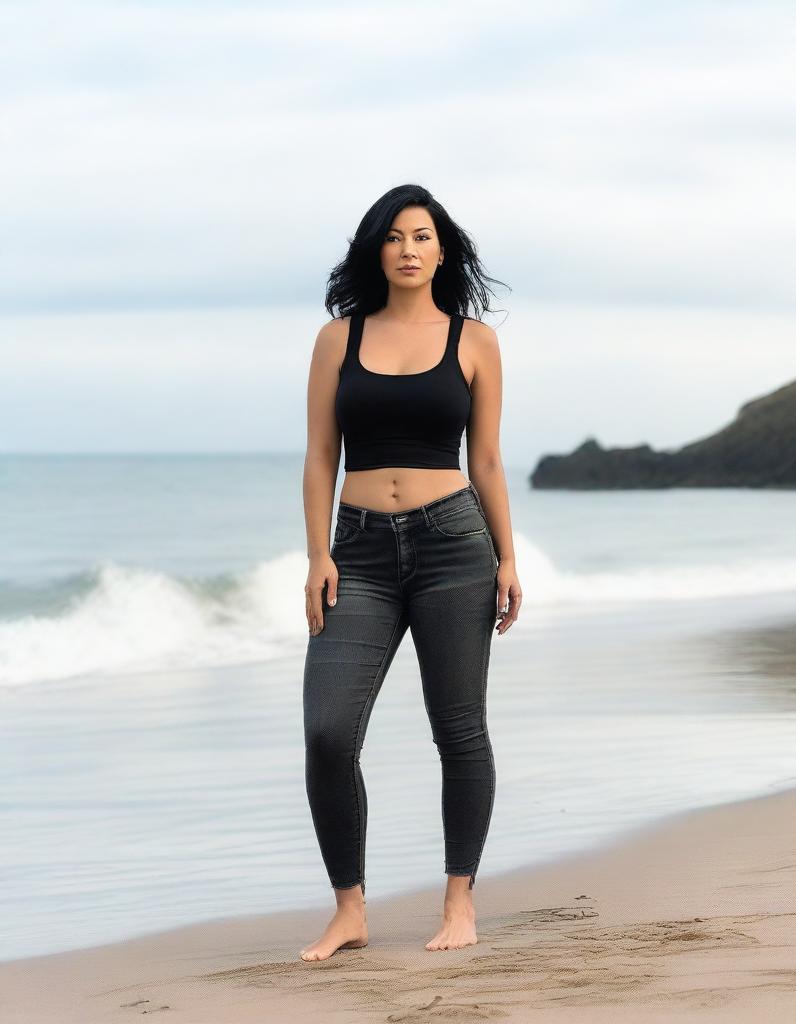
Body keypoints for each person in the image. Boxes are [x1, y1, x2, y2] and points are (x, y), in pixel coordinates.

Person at [299, 184, 522, 960]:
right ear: (376, 249)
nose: (408, 249)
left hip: (454, 545)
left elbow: (487, 459)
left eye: (422, 236)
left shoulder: (474, 342)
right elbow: (321, 455)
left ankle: (459, 902)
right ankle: (349, 909)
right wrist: (318, 554)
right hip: (356, 550)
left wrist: (509, 557)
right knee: (328, 733)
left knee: (458, 728)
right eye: (394, 237)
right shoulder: (338, 339)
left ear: (441, 250)